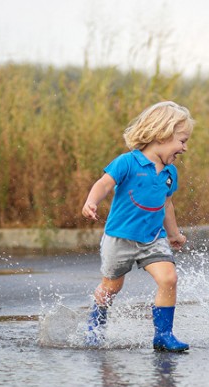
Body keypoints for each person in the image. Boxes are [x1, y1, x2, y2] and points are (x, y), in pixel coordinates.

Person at [82, 100, 195, 352]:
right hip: (119, 238)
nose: (185, 148)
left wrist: (174, 234)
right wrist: (91, 202)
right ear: (162, 134)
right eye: (182, 140)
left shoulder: (170, 172)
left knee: (169, 278)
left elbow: (167, 205)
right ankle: (95, 323)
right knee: (112, 287)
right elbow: (103, 184)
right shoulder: (127, 162)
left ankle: (163, 335)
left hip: (153, 238)